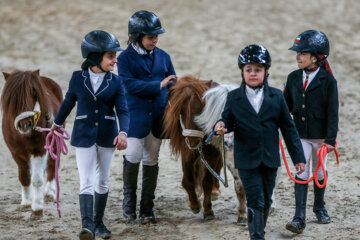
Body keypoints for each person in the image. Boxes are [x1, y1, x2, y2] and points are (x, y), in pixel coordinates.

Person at [214, 44, 306, 240]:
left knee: (265, 200)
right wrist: (221, 125)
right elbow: (227, 120)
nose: (253, 74)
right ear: (242, 72)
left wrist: (298, 158)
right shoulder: (234, 98)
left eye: (258, 70)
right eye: (248, 70)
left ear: (266, 72)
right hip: (246, 159)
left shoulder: (277, 97)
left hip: (270, 158)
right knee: (254, 200)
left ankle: (259, 231)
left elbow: (289, 130)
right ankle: (257, 237)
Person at [51, 30, 129, 240]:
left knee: (102, 181)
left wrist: (123, 132)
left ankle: (99, 222)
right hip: (84, 134)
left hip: (108, 135)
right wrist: (57, 124)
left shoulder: (116, 81)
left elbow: (122, 110)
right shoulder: (78, 78)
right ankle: (87, 227)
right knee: (86, 180)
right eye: (110, 56)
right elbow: (68, 102)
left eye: (115, 56)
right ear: (96, 56)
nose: (115, 60)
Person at [117, 10, 177, 224]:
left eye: (156, 36)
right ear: (137, 37)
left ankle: (147, 209)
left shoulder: (164, 56)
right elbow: (127, 85)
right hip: (134, 117)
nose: (155, 40)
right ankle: (129, 205)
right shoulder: (124, 58)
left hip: (157, 117)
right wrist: (158, 85)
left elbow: (173, 83)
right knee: (132, 155)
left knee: (151, 159)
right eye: (151, 37)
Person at [284, 30, 339, 234]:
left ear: (316, 57)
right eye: (297, 53)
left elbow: (333, 113)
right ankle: (299, 218)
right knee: (301, 170)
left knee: (320, 172)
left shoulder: (328, 82)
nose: (298, 57)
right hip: (300, 135)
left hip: (321, 137)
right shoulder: (292, 78)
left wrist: (331, 140)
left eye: (303, 53)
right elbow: (286, 107)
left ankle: (319, 206)